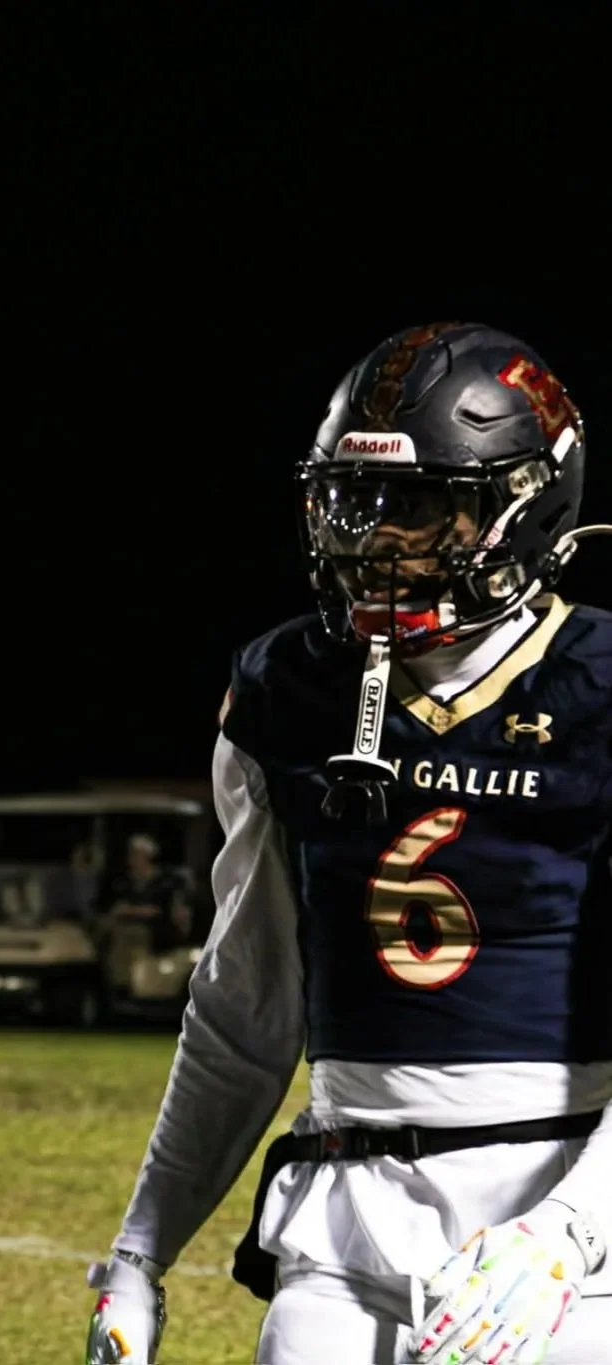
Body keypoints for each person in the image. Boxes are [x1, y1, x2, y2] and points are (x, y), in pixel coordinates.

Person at [84, 322, 612, 1364]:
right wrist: (139, 1251)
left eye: (418, 506)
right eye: (354, 502)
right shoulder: (288, 687)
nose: (376, 541)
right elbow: (243, 1015)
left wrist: (572, 1234)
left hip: (558, 1220)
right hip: (343, 1218)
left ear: (526, 502)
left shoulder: (598, 685)